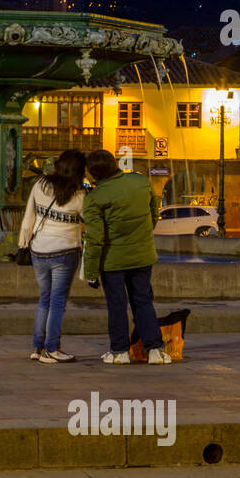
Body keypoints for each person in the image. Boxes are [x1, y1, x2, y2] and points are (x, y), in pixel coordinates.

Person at [83, 149, 171, 364]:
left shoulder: (95, 198)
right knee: (143, 301)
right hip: (142, 256)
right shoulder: (140, 182)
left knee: (117, 304)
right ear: (114, 164)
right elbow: (153, 213)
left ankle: (120, 351)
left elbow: (94, 239)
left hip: (112, 261)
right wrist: (142, 235)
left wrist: (91, 273)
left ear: (93, 174)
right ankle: (154, 350)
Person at [17, 149, 86, 363]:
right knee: (57, 302)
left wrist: (23, 242)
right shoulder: (79, 195)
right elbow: (88, 219)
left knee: (44, 299)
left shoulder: (40, 185)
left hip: (39, 250)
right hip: (65, 252)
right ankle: (52, 348)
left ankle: (37, 348)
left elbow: (29, 214)